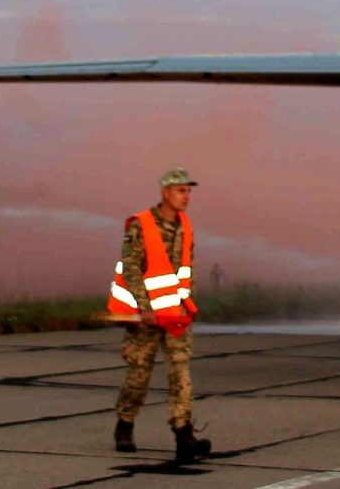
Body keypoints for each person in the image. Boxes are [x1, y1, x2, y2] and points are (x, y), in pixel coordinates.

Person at [108, 168, 212, 464]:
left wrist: (185, 304)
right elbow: (129, 267)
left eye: (189, 191)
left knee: (181, 373)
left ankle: (183, 435)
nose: (187, 197)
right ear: (165, 193)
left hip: (175, 315)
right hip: (147, 318)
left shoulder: (186, 226)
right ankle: (125, 424)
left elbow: (185, 270)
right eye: (181, 191)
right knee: (138, 375)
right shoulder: (141, 225)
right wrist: (144, 308)